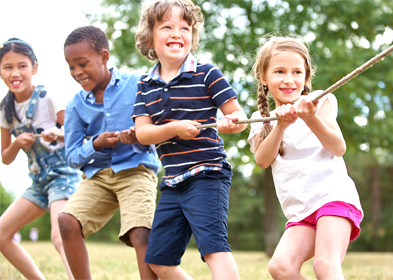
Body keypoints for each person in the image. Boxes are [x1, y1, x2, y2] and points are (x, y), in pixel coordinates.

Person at [132, 0, 248, 279]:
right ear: (150, 38)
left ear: (192, 38)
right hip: (172, 182)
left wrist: (230, 123)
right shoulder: (145, 86)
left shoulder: (207, 73)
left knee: (213, 249)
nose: (177, 33)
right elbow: (143, 133)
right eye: (167, 27)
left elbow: (238, 118)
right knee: (159, 261)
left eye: (184, 28)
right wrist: (174, 129)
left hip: (208, 174)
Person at [247, 35, 364, 280]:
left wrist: (310, 118)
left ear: (306, 77)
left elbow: (338, 147)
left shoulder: (320, 102)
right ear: (264, 77)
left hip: (334, 199)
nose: (289, 79)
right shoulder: (260, 121)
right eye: (279, 71)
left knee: (325, 265)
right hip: (301, 212)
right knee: (280, 267)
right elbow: (262, 160)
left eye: (297, 72)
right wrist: (280, 125)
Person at [57, 26, 161, 280]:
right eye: (71, 67)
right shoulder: (75, 105)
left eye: (82, 63)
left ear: (104, 57)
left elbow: (159, 126)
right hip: (99, 176)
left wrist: (139, 134)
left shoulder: (138, 84)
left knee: (140, 232)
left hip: (137, 169)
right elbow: (71, 156)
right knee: (67, 221)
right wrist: (96, 143)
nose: (77, 72)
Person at [0, 38, 81, 280]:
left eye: (22, 66)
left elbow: (78, 134)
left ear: (34, 68)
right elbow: (5, 158)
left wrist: (57, 133)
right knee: (2, 234)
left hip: (63, 175)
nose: (15, 73)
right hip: (38, 182)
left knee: (60, 234)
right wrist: (16, 143)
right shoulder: (5, 110)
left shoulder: (47, 97)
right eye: (7, 67)